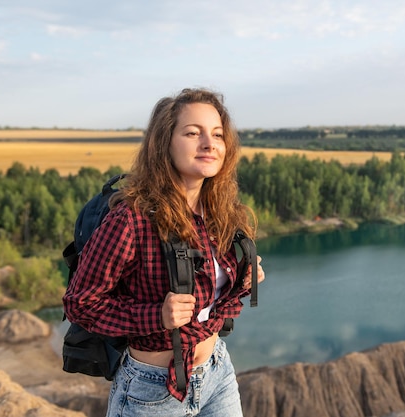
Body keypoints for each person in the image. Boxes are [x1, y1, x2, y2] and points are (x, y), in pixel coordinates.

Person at [62, 88, 265, 417]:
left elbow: (208, 307)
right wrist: (156, 316)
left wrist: (243, 280)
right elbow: (80, 304)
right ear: (164, 142)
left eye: (217, 134)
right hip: (152, 390)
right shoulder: (131, 220)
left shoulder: (221, 214)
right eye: (192, 133)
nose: (209, 143)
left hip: (216, 373)